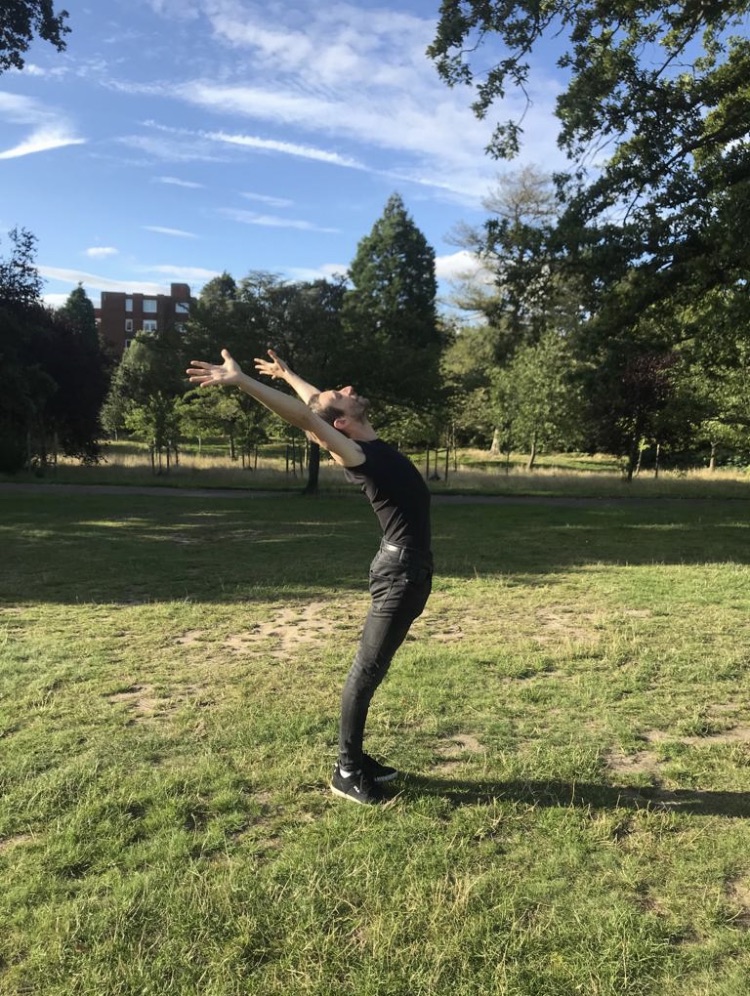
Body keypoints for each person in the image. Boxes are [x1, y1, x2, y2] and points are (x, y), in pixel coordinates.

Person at [186, 349, 433, 805]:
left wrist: (287, 373)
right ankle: (346, 769)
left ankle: (356, 757)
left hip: (410, 571)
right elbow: (307, 416)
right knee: (366, 670)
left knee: (373, 670)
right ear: (340, 425)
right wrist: (242, 382)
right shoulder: (356, 455)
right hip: (399, 574)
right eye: (343, 395)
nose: (347, 389)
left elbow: (316, 402)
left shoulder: (366, 442)